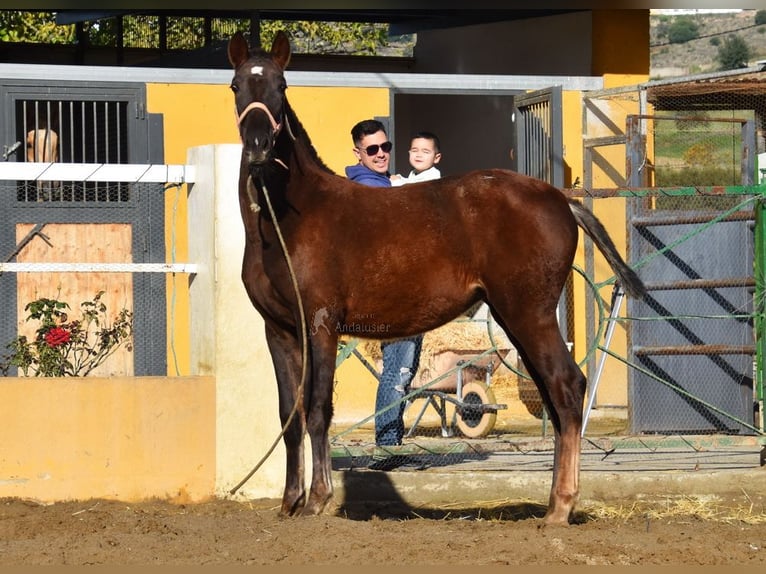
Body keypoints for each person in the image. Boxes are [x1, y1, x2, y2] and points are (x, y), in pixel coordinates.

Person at [345, 119, 424, 451]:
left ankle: (392, 441)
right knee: (399, 368)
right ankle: (388, 444)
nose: (381, 154)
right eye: (372, 149)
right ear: (358, 153)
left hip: (392, 289)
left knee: (402, 368)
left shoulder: (381, 183)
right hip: (391, 293)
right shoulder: (372, 189)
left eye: (385, 147)